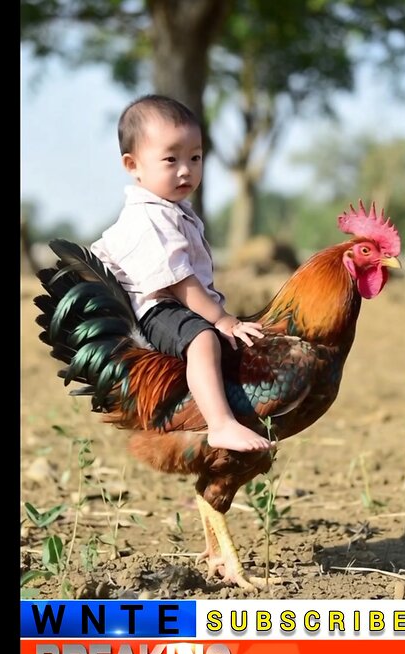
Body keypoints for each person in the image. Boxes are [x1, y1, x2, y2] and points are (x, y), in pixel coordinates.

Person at [90, 95, 272, 453]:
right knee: (204, 339)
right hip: (156, 307)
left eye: (195, 157)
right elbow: (181, 282)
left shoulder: (174, 210)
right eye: (171, 159)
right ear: (133, 164)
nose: (186, 169)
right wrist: (222, 318)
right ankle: (220, 425)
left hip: (174, 304)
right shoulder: (149, 217)